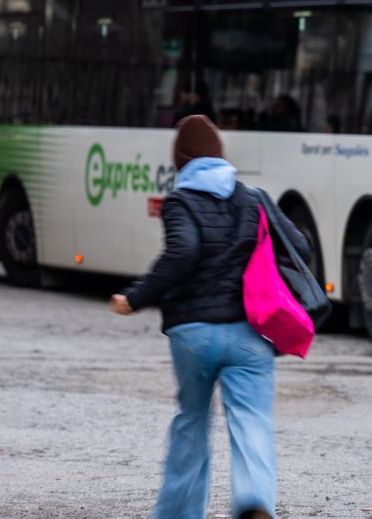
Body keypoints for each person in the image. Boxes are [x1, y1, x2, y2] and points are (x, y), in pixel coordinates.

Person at [110, 115, 310, 519]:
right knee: (252, 422)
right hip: (249, 333)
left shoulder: (180, 202)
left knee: (192, 423)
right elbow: (300, 247)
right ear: (220, 155)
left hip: (194, 335)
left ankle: (179, 514)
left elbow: (183, 252)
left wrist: (136, 296)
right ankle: (253, 500)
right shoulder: (254, 198)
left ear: (180, 161)